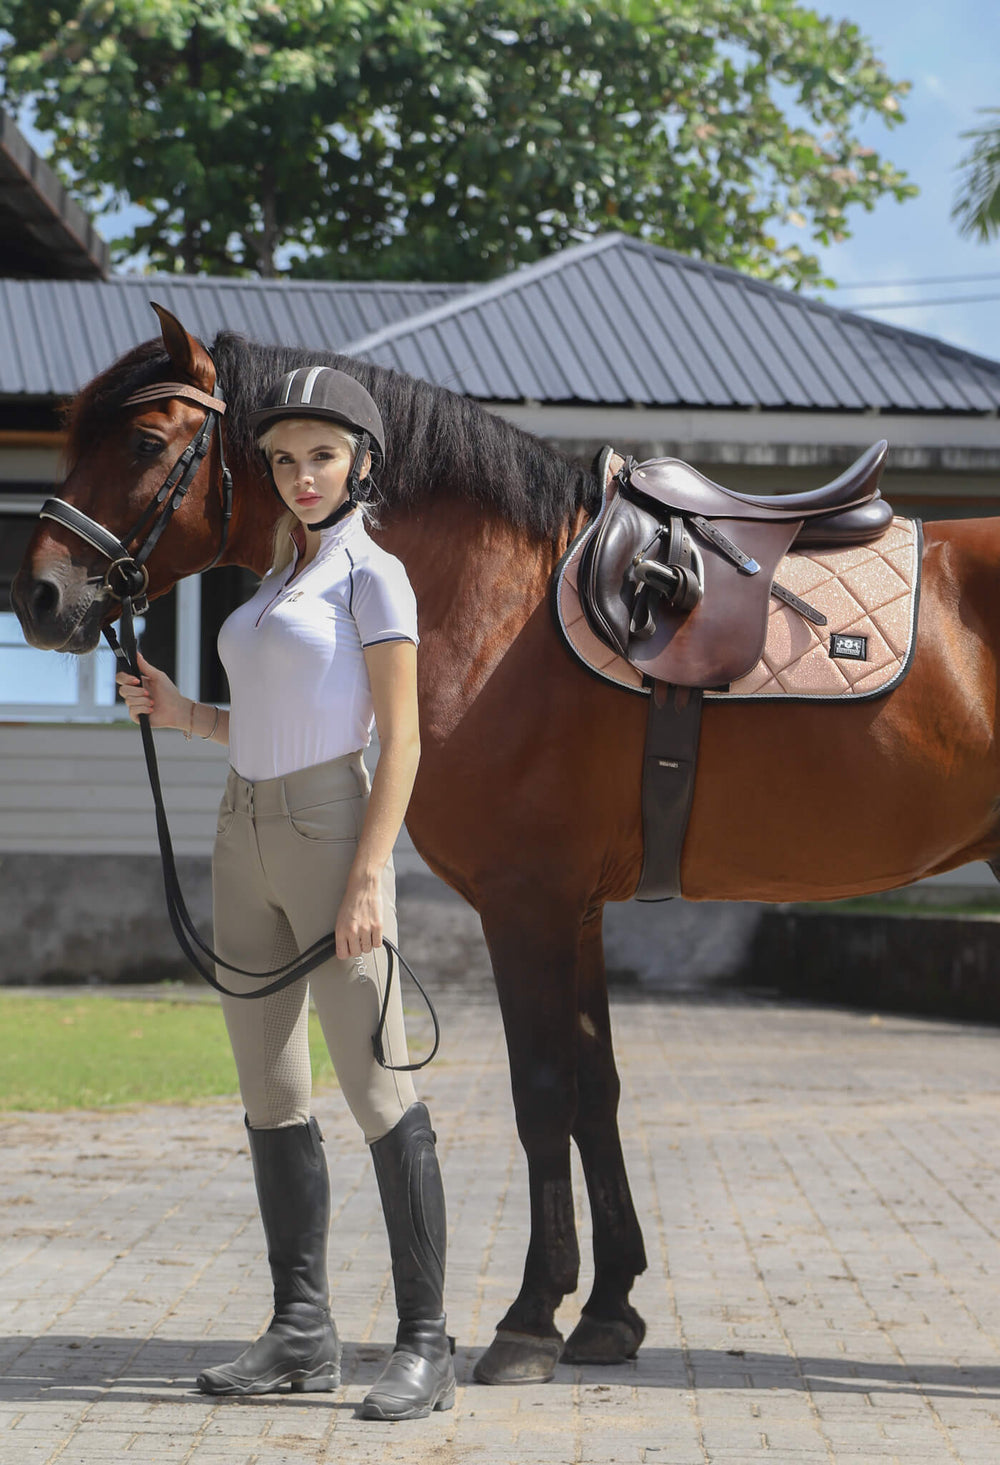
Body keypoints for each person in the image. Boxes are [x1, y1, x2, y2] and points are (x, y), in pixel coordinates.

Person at [115, 366, 454, 1422]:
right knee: (271, 1094)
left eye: (321, 455)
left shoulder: (374, 577)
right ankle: (302, 1332)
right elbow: (263, 720)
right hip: (240, 830)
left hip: (327, 833)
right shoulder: (272, 585)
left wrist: (367, 875)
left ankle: (424, 1345)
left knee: (376, 1090)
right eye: (283, 459)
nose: (301, 475)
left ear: (360, 461)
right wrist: (182, 710)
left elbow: (398, 742)